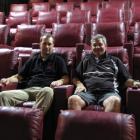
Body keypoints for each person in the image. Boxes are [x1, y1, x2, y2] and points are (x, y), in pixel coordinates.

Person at [68, 34, 140, 112]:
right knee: (72, 99)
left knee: (115, 101)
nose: (97, 47)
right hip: (88, 93)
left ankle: (107, 124)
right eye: (94, 45)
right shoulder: (86, 60)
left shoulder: (115, 61)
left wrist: (134, 83)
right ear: (91, 47)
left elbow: (126, 79)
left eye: (100, 44)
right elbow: (75, 77)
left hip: (109, 93)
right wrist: (79, 84)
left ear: (105, 46)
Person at [0, 33, 69, 113]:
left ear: (53, 45)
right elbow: (19, 77)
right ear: (40, 44)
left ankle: (32, 119)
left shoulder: (58, 60)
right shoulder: (33, 59)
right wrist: (7, 80)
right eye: (44, 43)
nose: (47, 46)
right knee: (2, 95)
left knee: (48, 91)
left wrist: (59, 81)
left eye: (49, 44)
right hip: (27, 90)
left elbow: (66, 78)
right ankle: (8, 124)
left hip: (43, 91)